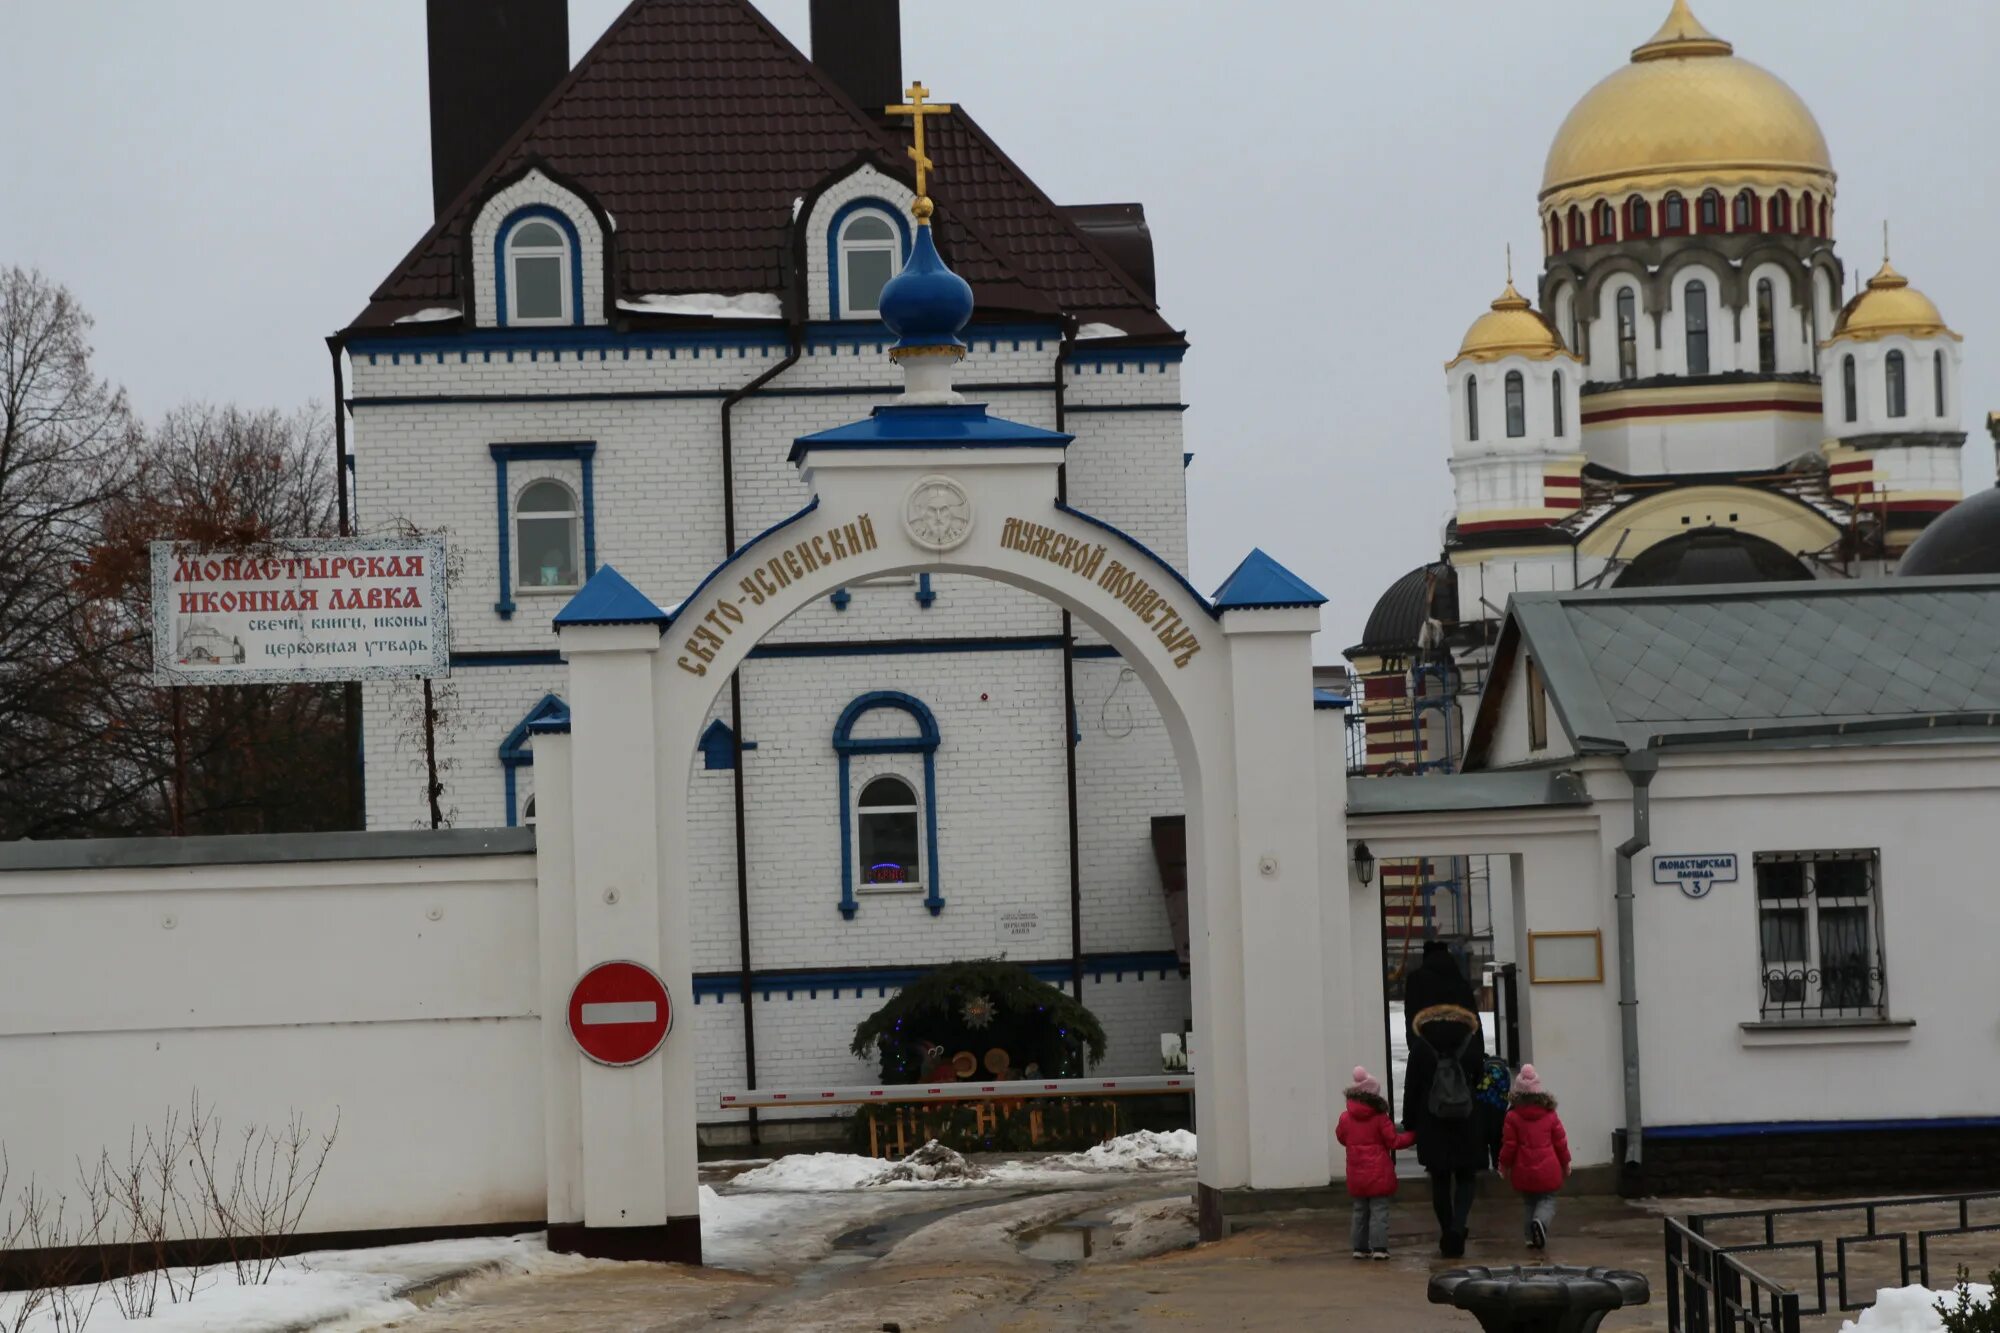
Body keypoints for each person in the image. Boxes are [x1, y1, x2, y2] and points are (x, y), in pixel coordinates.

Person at [1403, 993, 1487, 1258]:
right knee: (1466, 1176)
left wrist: (1410, 1123)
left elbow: (1412, 1088)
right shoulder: (1470, 1042)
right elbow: (1480, 1079)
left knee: (1439, 1178)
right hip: (1466, 1118)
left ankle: (1446, 1229)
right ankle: (1458, 1226)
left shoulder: (1420, 1046)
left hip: (1432, 1120)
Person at [1336, 1065, 1416, 1260]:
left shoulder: (1346, 1117)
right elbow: (1394, 1142)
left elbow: (1341, 1137)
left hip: (1356, 1173)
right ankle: (1379, 1248)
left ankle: (1359, 1247)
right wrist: (1413, 1136)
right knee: (1379, 1211)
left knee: (1359, 1211)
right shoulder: (1380, 1118)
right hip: (1378, 1173)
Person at [1498, 1063, 1570, 1251]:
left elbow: (1509, 1146)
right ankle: (1540, 1223)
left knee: (1529, 1202)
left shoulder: (1512, 1116)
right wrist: (1566, 1163)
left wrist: (1503, 1166)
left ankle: (1530, 1238)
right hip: (1549, 1169)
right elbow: (1560, 1142)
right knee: (1547, 1200)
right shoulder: (1550, 1114)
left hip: (1523, 1170)